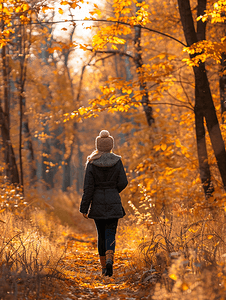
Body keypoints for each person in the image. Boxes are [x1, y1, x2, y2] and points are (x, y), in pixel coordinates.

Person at [80, 130, 128, 277]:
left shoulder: (92, 162)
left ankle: (103, 269)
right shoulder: (117, 161)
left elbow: (88, 188)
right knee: (110, 234)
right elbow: (123, 182)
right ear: (111, 145)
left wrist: (84, 207)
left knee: (101, 235)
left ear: (98, 145)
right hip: (114, 201)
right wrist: (114, 191)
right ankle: (110, 260)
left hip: (97, 204)